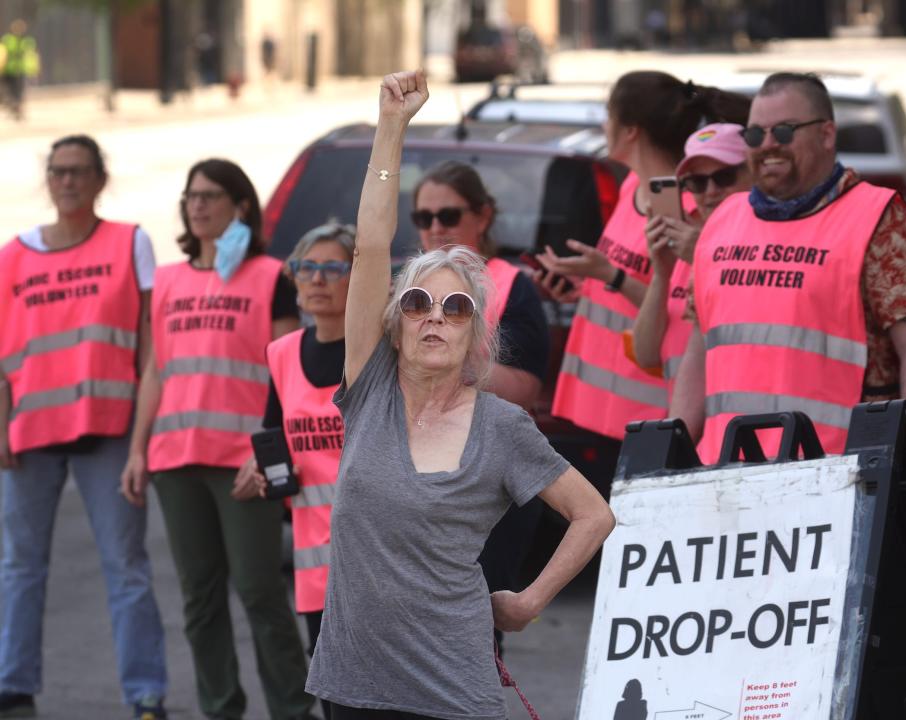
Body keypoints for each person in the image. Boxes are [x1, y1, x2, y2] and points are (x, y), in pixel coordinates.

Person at [305, 69, 615, 720]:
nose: (435, 317)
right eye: (418, 303)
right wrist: (391, 130)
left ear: (476, 332)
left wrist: (528, 603)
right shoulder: (369, 392)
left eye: (455, 308)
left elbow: (594, 516)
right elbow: (370, 248)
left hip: (455, 692)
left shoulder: (502, 426)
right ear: (395, 322)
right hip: (352, 686)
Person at [120, 159, 315, 720]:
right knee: (199, 600)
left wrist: (278, 451)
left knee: (259, 591)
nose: (197, 206)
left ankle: (292, 709)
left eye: (210, 196)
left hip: (243, 464)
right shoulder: (170, 281)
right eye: (191, 196)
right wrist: (137, 451)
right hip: (175, 461)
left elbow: (287, 371)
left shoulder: (271, 275)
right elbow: (156, 370)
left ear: (241, 206)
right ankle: (220, 708)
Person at [678, 72, 906, 462]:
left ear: (827, 134)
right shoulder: (722, 220)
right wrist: (670, 457)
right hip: (725, 477)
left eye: (783, 132)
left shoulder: (878, 218)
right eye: (755, 135)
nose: (768, 146)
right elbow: (700, 349)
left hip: (836, 478)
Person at [0, 135, 168, 719]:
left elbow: (151, 348)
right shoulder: (12, 257)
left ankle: (146, 694)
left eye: (79, 172)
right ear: (47, 181)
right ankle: (13, 687)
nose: (67, 181)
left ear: (100, 180)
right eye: (58, 172)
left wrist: (142, 443)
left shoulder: (130, 243)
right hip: (29, 435)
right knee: (20, 564)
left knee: (126, 567)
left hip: (111, 429)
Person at [535, 71, 749, 474]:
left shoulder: (693, 201)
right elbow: (644, 283)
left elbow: (674, 307)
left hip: (640, 414)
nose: (602, 125)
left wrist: (612, 277)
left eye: (607, 115)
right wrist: (590, 285)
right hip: (589, 406)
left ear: (630, 129)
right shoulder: (636, 183)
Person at [411, 161, 550, 621]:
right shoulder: (406, 286)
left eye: (447, 216)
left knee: (474, 629)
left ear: (482, 216)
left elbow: (525, 391)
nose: (434, 228)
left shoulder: (511, 286)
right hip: (419, 475)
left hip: (490, 480)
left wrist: (458, 356)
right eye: (423, 217)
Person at [239, 221, 357, 720]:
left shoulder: (379, 354)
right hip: (315, 564)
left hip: (375, 556)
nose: (317, 280)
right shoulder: (282, 353)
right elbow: (275, 437)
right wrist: (262, 472)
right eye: (307, 268)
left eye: (333, 268)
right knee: (333, 696)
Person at [630, 123, 751, 436]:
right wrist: (662, 272)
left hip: (736, 435)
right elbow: (646, 353)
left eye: (724, 177)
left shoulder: (751, 247)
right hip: (686, 433)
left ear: (753, 173)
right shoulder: (686, 243)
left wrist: (703, 258)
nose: (710, 191)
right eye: (697, 182)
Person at [0, 19, 39, 120]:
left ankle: (17, 109)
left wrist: (33, 69)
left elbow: (31, 56)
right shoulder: (8, 39)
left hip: (20, 69)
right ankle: (14, 107)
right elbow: (2, 53)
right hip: (8, 69)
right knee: (9, 91)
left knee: (18, 92)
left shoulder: (27, 41)